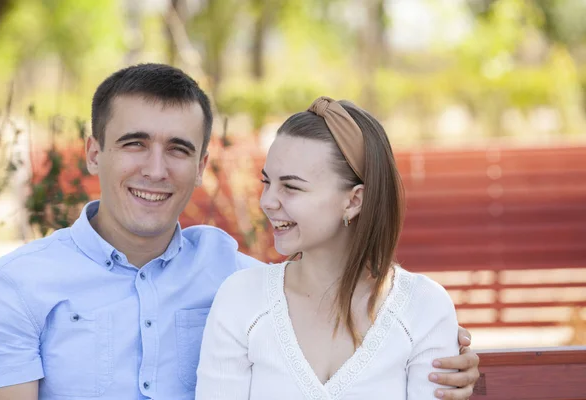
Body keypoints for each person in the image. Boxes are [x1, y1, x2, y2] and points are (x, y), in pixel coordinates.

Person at [0, 64, 478, 400]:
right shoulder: (16, 287)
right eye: (134, 143)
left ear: (202, 165)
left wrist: (443, 347)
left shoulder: (232, 276)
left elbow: (322, 292)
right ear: (94, 152)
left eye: (178, 149)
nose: (155, 170)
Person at [196, 97, 470, 399]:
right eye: (267, 182)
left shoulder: (424, 308)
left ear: (354, 201)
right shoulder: (241, 299)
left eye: (291, 187)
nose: (267, 201)